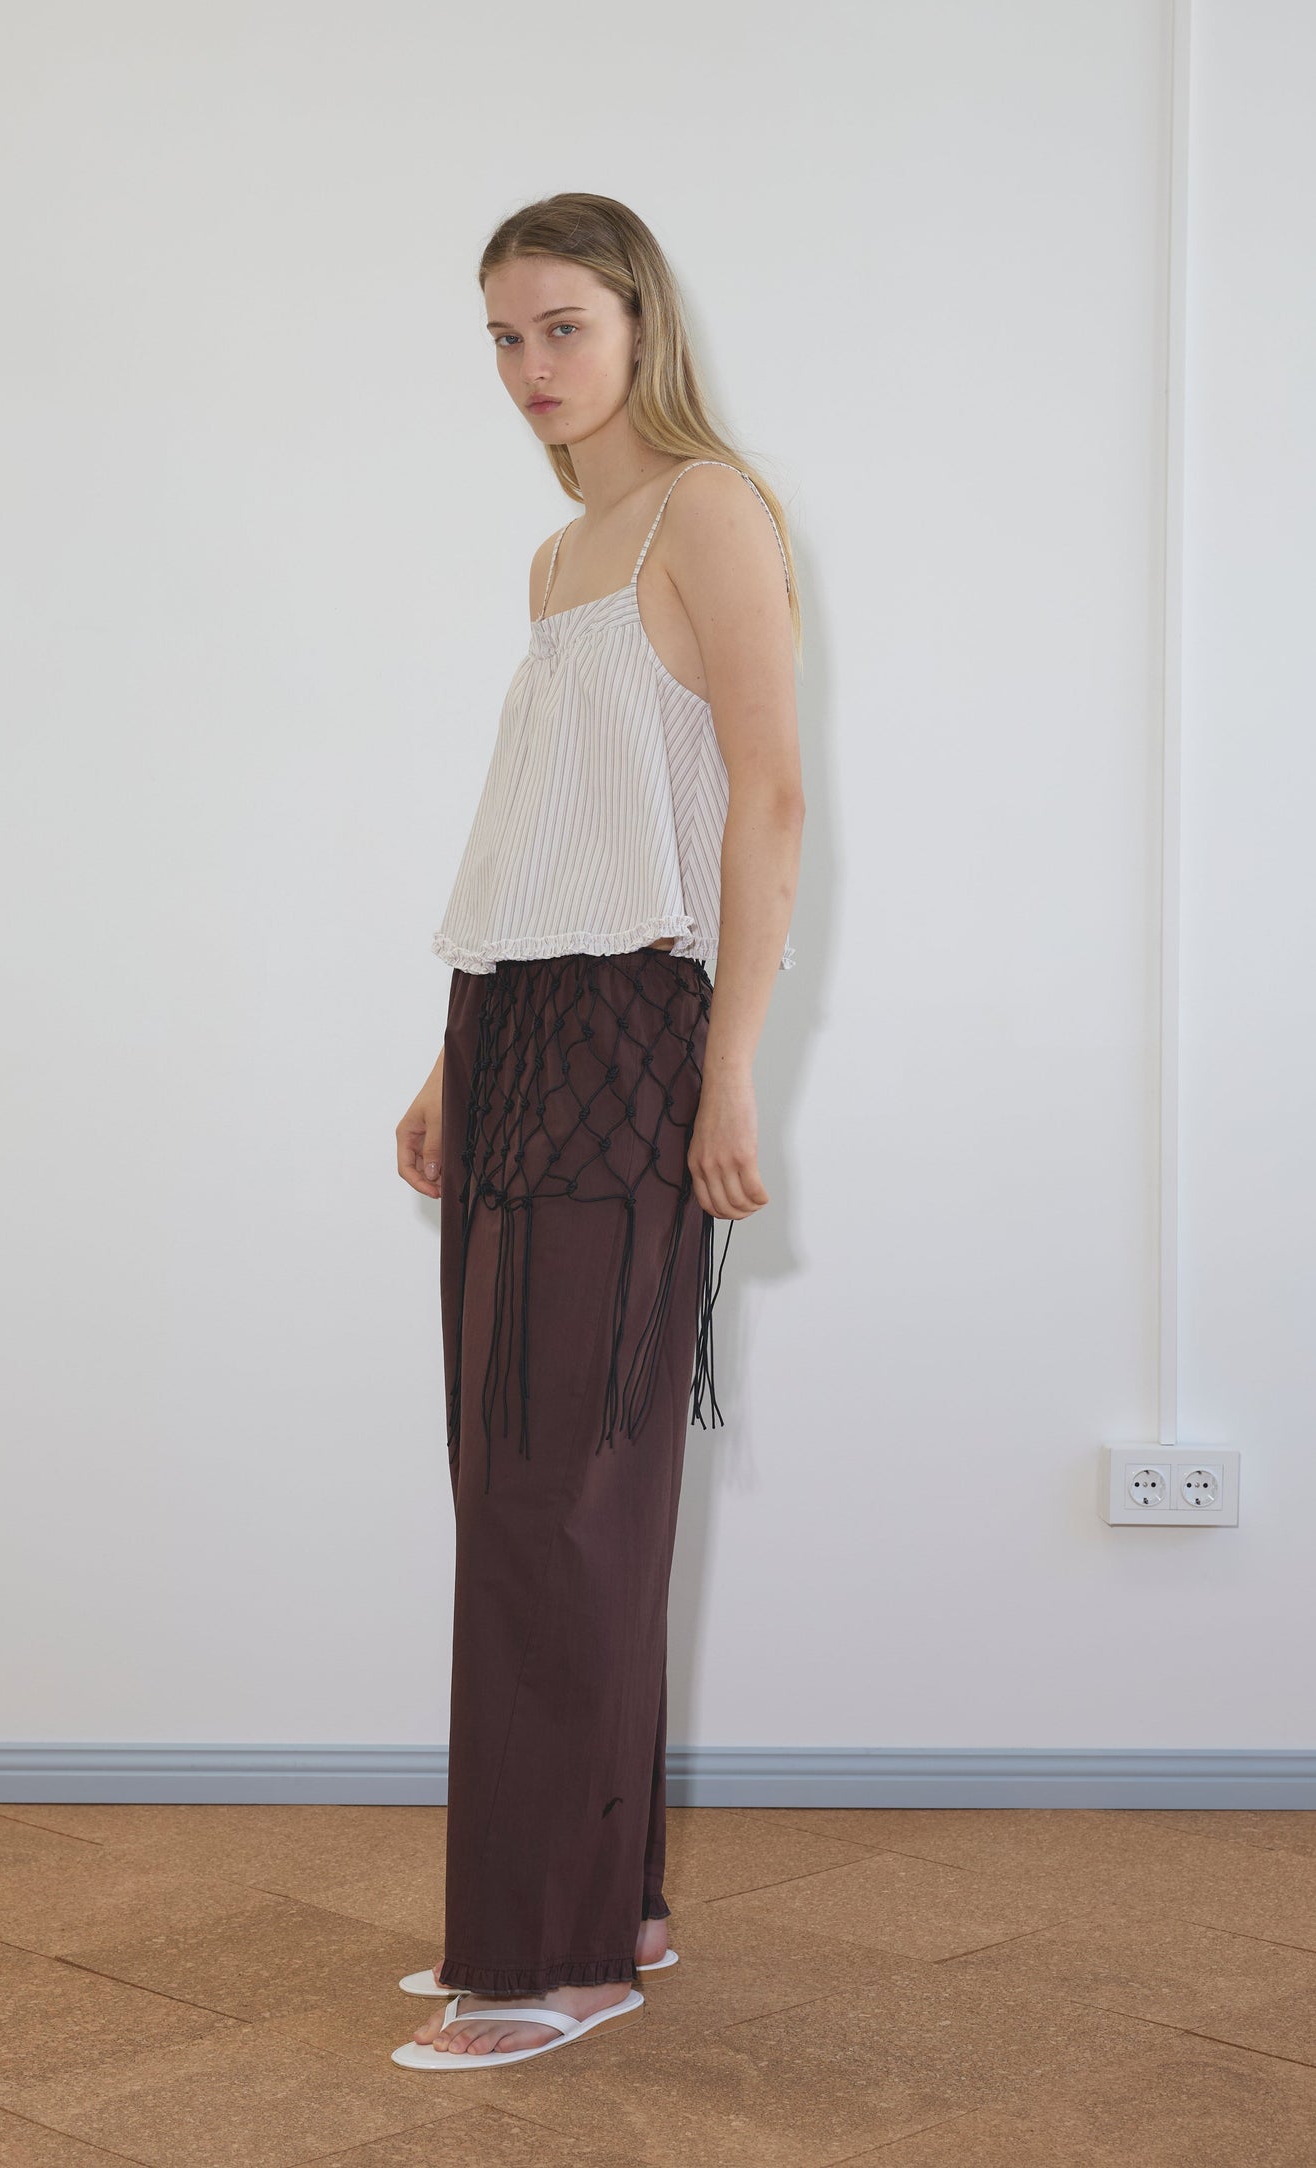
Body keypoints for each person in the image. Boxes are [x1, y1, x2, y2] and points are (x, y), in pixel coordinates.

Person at [391, 192, 804, 2069]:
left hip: (635, 1026)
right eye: (499, 337)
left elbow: (773, 801)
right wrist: (439, 1058)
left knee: (571, 1492)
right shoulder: (560, 557)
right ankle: (602, 1900)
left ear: (636, 319)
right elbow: (529, 830)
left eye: (557, 327)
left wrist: (730, 1074)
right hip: (513, 1022)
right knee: (526, 1480)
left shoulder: (708, 509)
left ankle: (549, 1961)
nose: (526, 371)